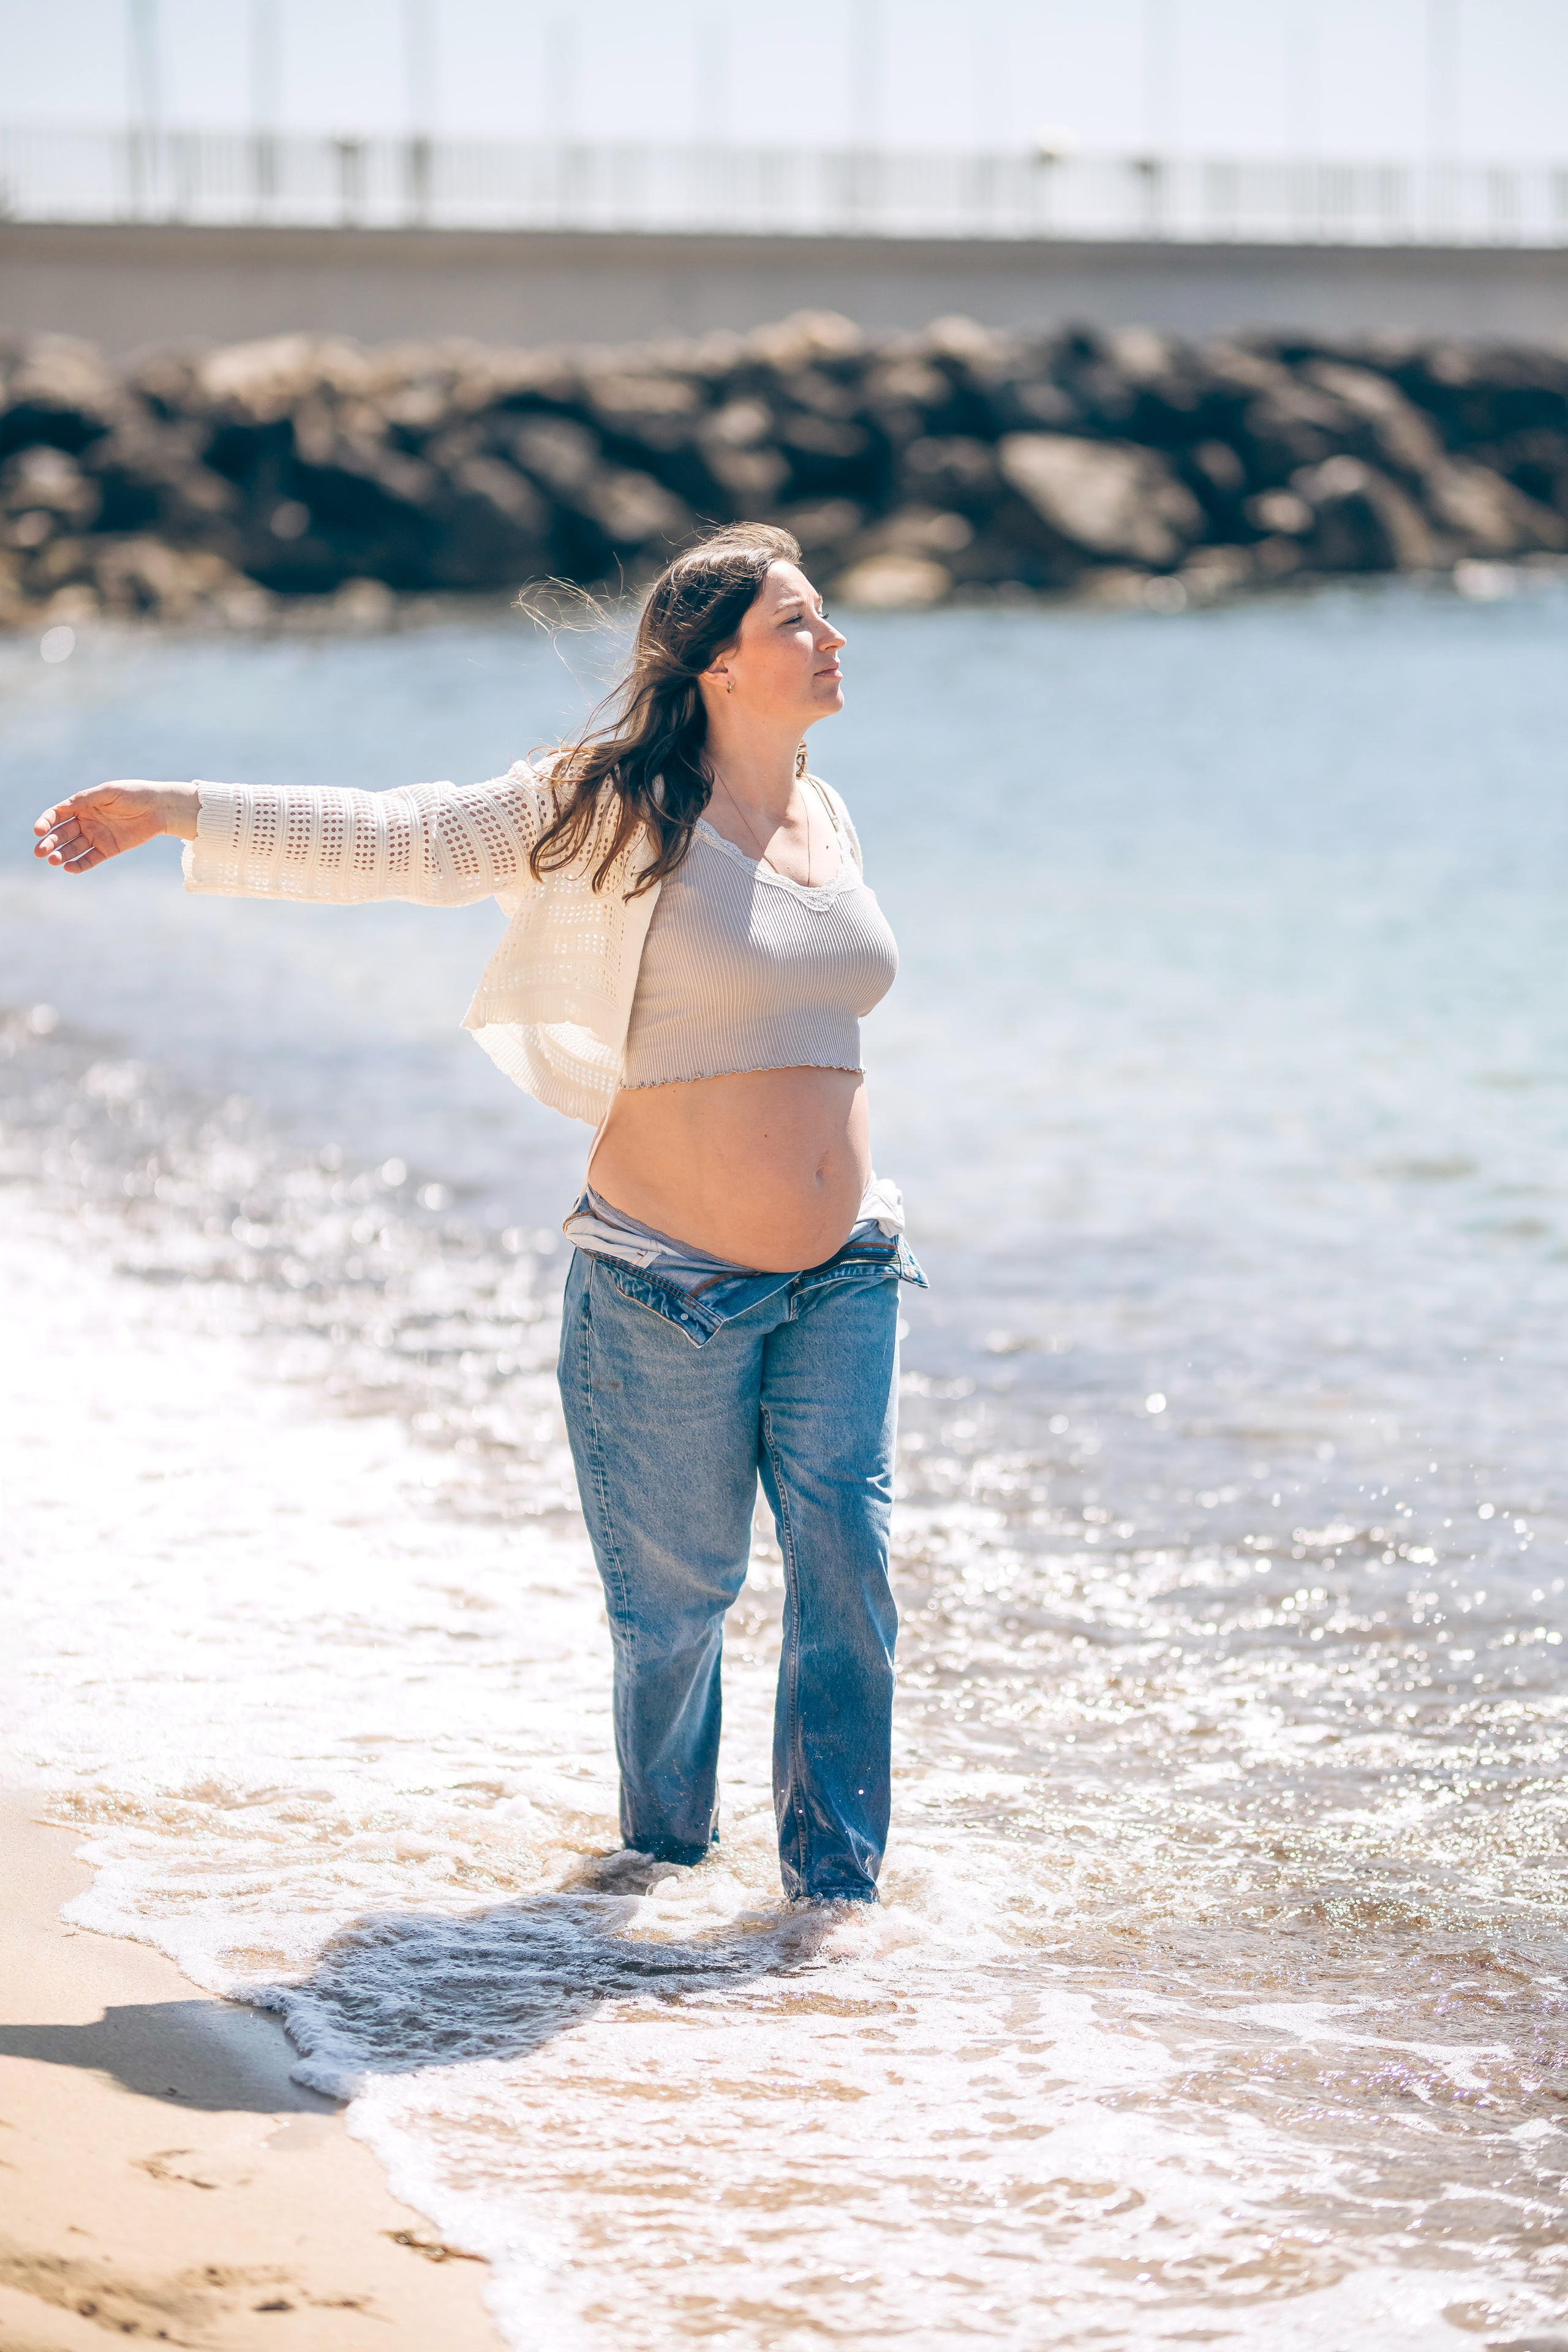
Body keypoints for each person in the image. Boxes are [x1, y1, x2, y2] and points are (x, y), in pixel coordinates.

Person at [31, 522, 923, 1909]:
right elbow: (406, 835)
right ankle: (658, 1872)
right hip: (664, 1284)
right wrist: (174, 804)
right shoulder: (608, 804)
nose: (832, 641)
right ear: (714, 668)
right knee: (679, 1611)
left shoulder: (826, 811)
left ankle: (833, 1902)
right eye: (797, 624)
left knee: (848, 1575)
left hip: (845, 1271)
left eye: (820, 618)